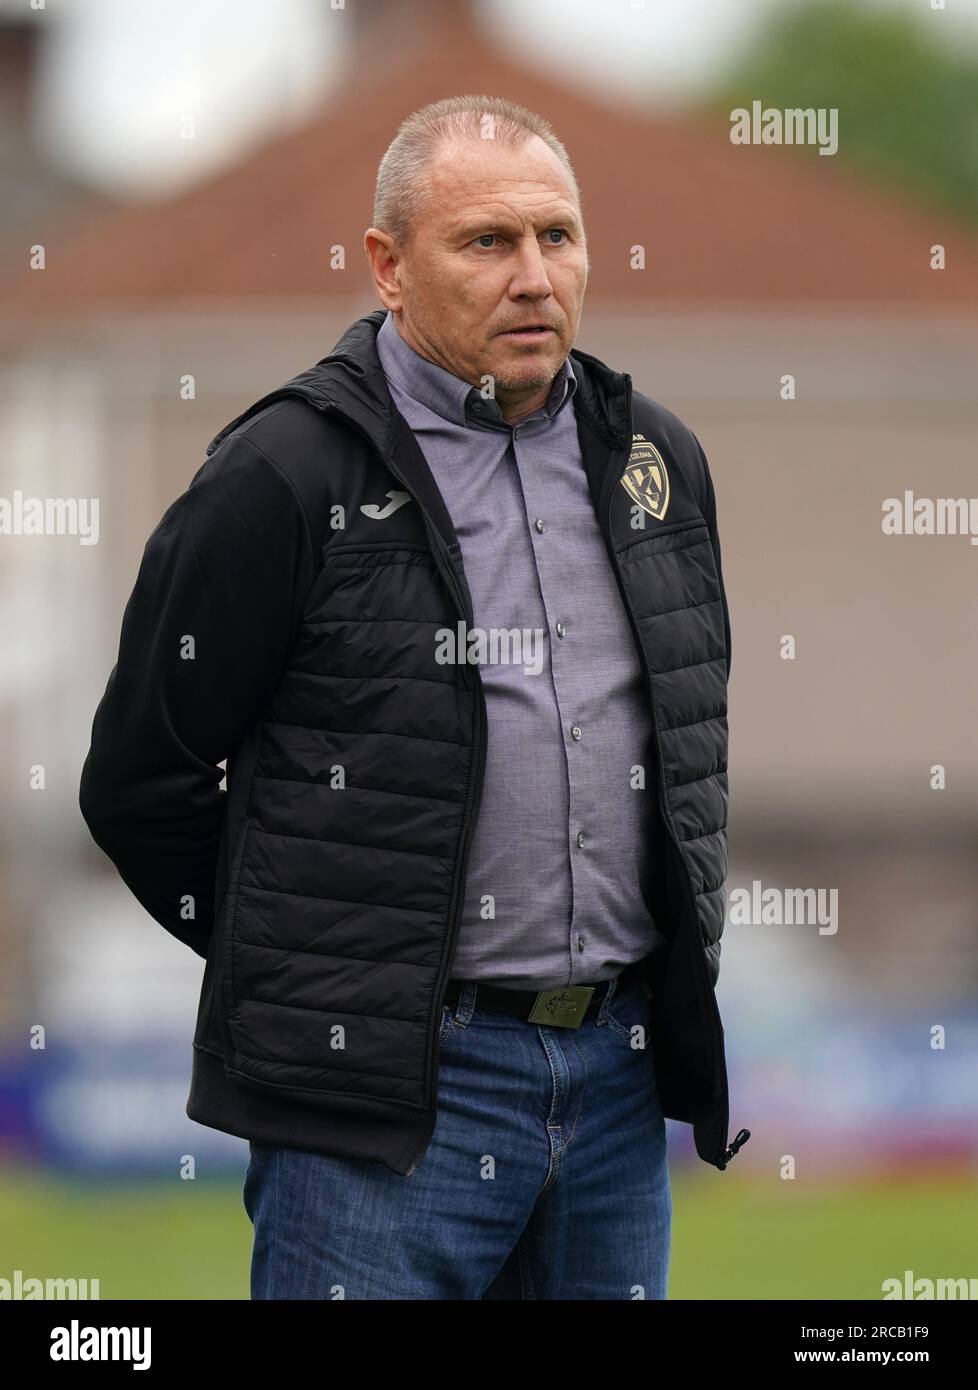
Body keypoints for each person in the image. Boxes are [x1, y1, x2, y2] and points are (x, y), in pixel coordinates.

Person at [79, 94, 747, 1301]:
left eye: (558, 235)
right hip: (382, 1102)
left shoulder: (655, 461)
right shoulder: (283, 471)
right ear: (388, 265)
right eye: (487, 242)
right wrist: (324, 969)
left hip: (613, 1083)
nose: (535, 275)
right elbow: (141, 779)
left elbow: (689, 746)